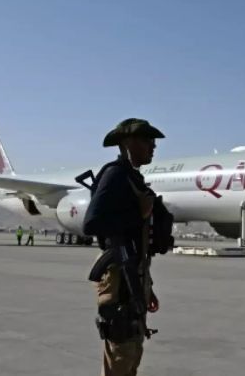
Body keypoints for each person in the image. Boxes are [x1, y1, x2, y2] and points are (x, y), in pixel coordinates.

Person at [83, 118, 167, 376]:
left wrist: (147, 286)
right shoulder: (115, 175)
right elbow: (92, 223)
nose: (153, 146)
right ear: (128, 144)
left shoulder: (133, 178)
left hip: (133, 275)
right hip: (119, 277)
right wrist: (139, 214)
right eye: (147, 141)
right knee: (121, 348)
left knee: (132, 350)